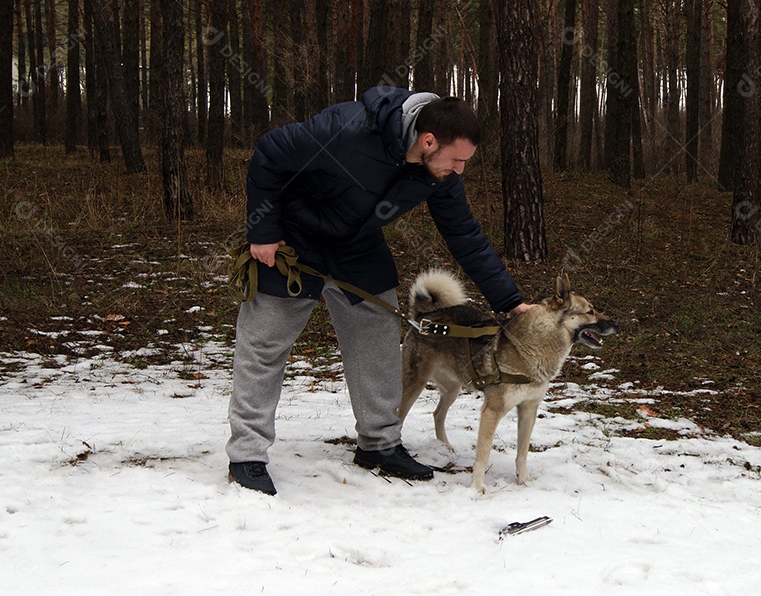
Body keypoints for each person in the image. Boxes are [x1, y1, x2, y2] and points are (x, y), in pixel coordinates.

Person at [226, 87, 534, 495]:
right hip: (293, 240)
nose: (460, 169)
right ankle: (247, 454)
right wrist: (263, 230)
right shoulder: (347, 129)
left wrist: (509, 302)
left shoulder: (438, 174)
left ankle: (379, 445)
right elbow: (270, 151)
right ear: (428, 141)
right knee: (264, 344)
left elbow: (465, 237)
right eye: (457, 159)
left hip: (357, 244)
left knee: (377, 342)